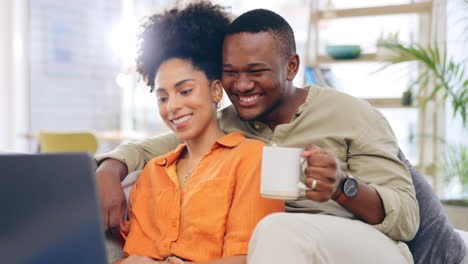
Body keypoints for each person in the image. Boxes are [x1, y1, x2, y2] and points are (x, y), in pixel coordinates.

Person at [97, 8, 420, 264]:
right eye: (230, 72)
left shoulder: (353, 115)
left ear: (291, 67)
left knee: (275, 230)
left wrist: (342, 187)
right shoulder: (225, 123)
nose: (241, 85)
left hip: (360, 247)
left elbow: (406, 218)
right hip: (275, 249)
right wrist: (110, 170)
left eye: (256, 71)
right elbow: (151, 148)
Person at [111, 3, 284, 264]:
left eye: (185, 91)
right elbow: (133, 256)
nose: (172, 107)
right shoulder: (154, 172)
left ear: (216, 91)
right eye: (162, 97)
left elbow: (246, 258)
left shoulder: (253, 158)